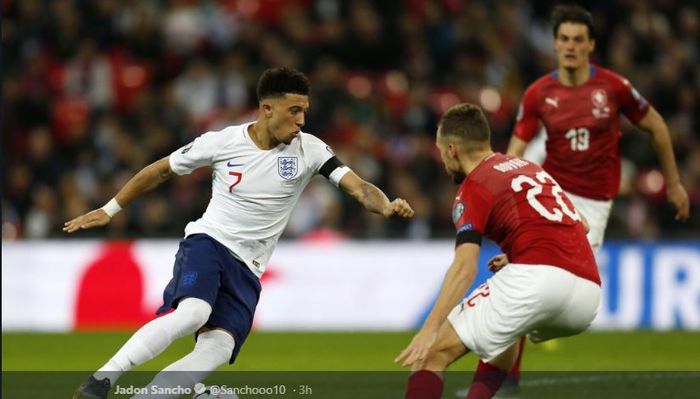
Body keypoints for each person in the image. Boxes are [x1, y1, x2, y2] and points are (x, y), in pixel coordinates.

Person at [65, 66, 415, 399]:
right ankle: (101, 380)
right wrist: (110, 209)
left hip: (249, 267)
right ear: (267, 109)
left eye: (304, 111)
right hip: (209, 242)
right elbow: (161, 171)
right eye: (294, 111)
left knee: (218, 348)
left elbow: (358, 187)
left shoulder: (311, 150)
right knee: (194, 313)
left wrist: (385, 206)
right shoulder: (222, 142)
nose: (301, 121)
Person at [495, 4, 690, 392]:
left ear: (591, 46)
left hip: (593, 206)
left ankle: (524, 336)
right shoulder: (538, 94)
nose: (570, 46)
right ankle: (503, 382)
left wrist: (673, 183)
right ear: (554, 45)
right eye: (563, 39)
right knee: (523, 283)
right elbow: (514, 152)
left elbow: (657, 126)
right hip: (550, 195)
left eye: (577, 40)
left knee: (562, 299)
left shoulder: (613, 88)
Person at [395, 102, 601, 399]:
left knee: (430, 357)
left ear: (452, 149)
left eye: (441, 152)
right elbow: (581, 225)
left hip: (537, 281)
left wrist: (430, 328)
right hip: (586, 295)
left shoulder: (474, 187)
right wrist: (520, 252)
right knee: (502, 342)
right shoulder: (529, 168)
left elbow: (465, 267)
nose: (442, 161)